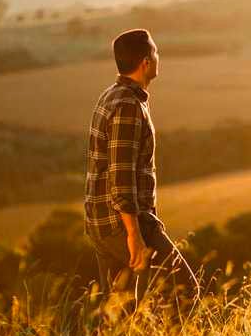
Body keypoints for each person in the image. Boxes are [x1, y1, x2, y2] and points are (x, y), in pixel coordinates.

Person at [84, 28, 200, 313]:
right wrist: (133, 235)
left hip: (101, 223)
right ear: (146, 62)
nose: (159, 57)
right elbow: (121, 176)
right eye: (156, 52)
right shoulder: (127, 106)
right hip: (121, 225)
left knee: (119, 314)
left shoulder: (111, 95)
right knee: (183, 292)